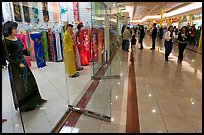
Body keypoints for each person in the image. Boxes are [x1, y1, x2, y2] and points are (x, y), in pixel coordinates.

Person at [2, 21, 47, 112]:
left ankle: (35, 101)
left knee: (30, 82)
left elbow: (20, 52)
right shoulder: (5, 42)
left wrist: (27, 51)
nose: (16, 30)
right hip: (16, 67)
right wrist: (18, 63)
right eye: (15, 28)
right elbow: (6, 57)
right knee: (21, 86)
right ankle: (26, 105)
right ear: (10, 30)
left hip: (23, 63)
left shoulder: (16, 38)